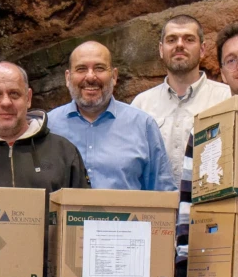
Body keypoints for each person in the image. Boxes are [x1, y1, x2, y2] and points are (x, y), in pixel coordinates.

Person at [48, 41, 175, 191]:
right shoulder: (49, 126)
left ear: (114, 76)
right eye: (81, 69)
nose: (90, 77)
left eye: (99, 68)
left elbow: (163, 194)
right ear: (68, 78)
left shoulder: (143, 125)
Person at [0, 62, 87, 193]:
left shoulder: (64, 152)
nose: (6, 102)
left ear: (28, 98)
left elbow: (82, 213)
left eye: (14, 94)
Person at [131, 15, 231, 188]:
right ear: (161, 50)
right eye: (171, 40)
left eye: (189, 39)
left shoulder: (226, 98)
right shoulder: (141, 105)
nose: (179, 45)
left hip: (209, 210)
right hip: (156, 209)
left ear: (202, 49)